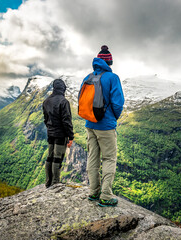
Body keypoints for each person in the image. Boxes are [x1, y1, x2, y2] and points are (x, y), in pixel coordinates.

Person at [81, 45, 124, 207]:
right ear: (109, 62)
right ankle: (106, 195)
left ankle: (93, 192)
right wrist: (113, 118)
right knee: (109, 158)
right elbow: (118, 103)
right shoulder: (113, 78)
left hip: (89, 124)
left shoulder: (88, 77)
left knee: (93, 157)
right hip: (105, 126)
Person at [43, 79, 74, 188]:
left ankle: (48, 181)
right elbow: (66, 120)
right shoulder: (63, 101)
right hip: (61, 134)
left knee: (50, 157)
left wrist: (50, 128)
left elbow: (45, 119)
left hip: (50, 133)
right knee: (57, 158)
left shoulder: (46, 101)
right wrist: (71, 136)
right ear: (63, 89)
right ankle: (55, 182)